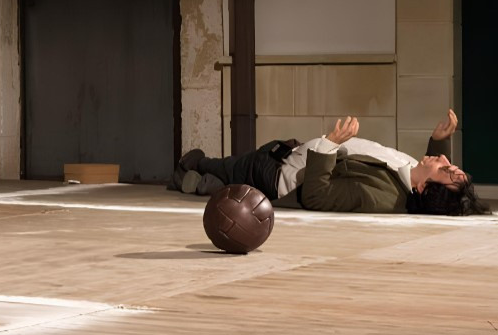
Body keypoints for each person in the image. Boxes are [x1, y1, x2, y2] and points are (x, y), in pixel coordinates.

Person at [172, 110, 491, 215]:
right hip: (289, 154)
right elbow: (434, 177)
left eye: (446, 168)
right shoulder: (411, 176)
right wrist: (438, 142)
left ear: (422, 189)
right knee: (226, 174)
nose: (445, 159)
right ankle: (207, 184)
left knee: (216, 164)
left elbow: (317, 196)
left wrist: (330, 144)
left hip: (275, 173)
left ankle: (189, 171)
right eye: (452, 163)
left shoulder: (378, 197)